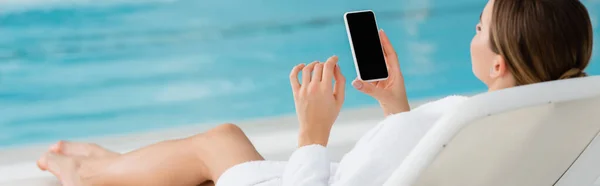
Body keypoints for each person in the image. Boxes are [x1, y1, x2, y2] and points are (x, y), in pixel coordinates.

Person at [36, 0, 592, 185]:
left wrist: (312, 131)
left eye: (477, 28)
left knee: (220, 144)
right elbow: (411, 165)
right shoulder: (511, 117)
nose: (470, 33)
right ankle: (112, 166)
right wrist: (394, 104)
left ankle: (90, 175)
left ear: (497, 61)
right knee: (222, 151)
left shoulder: (464, 117)